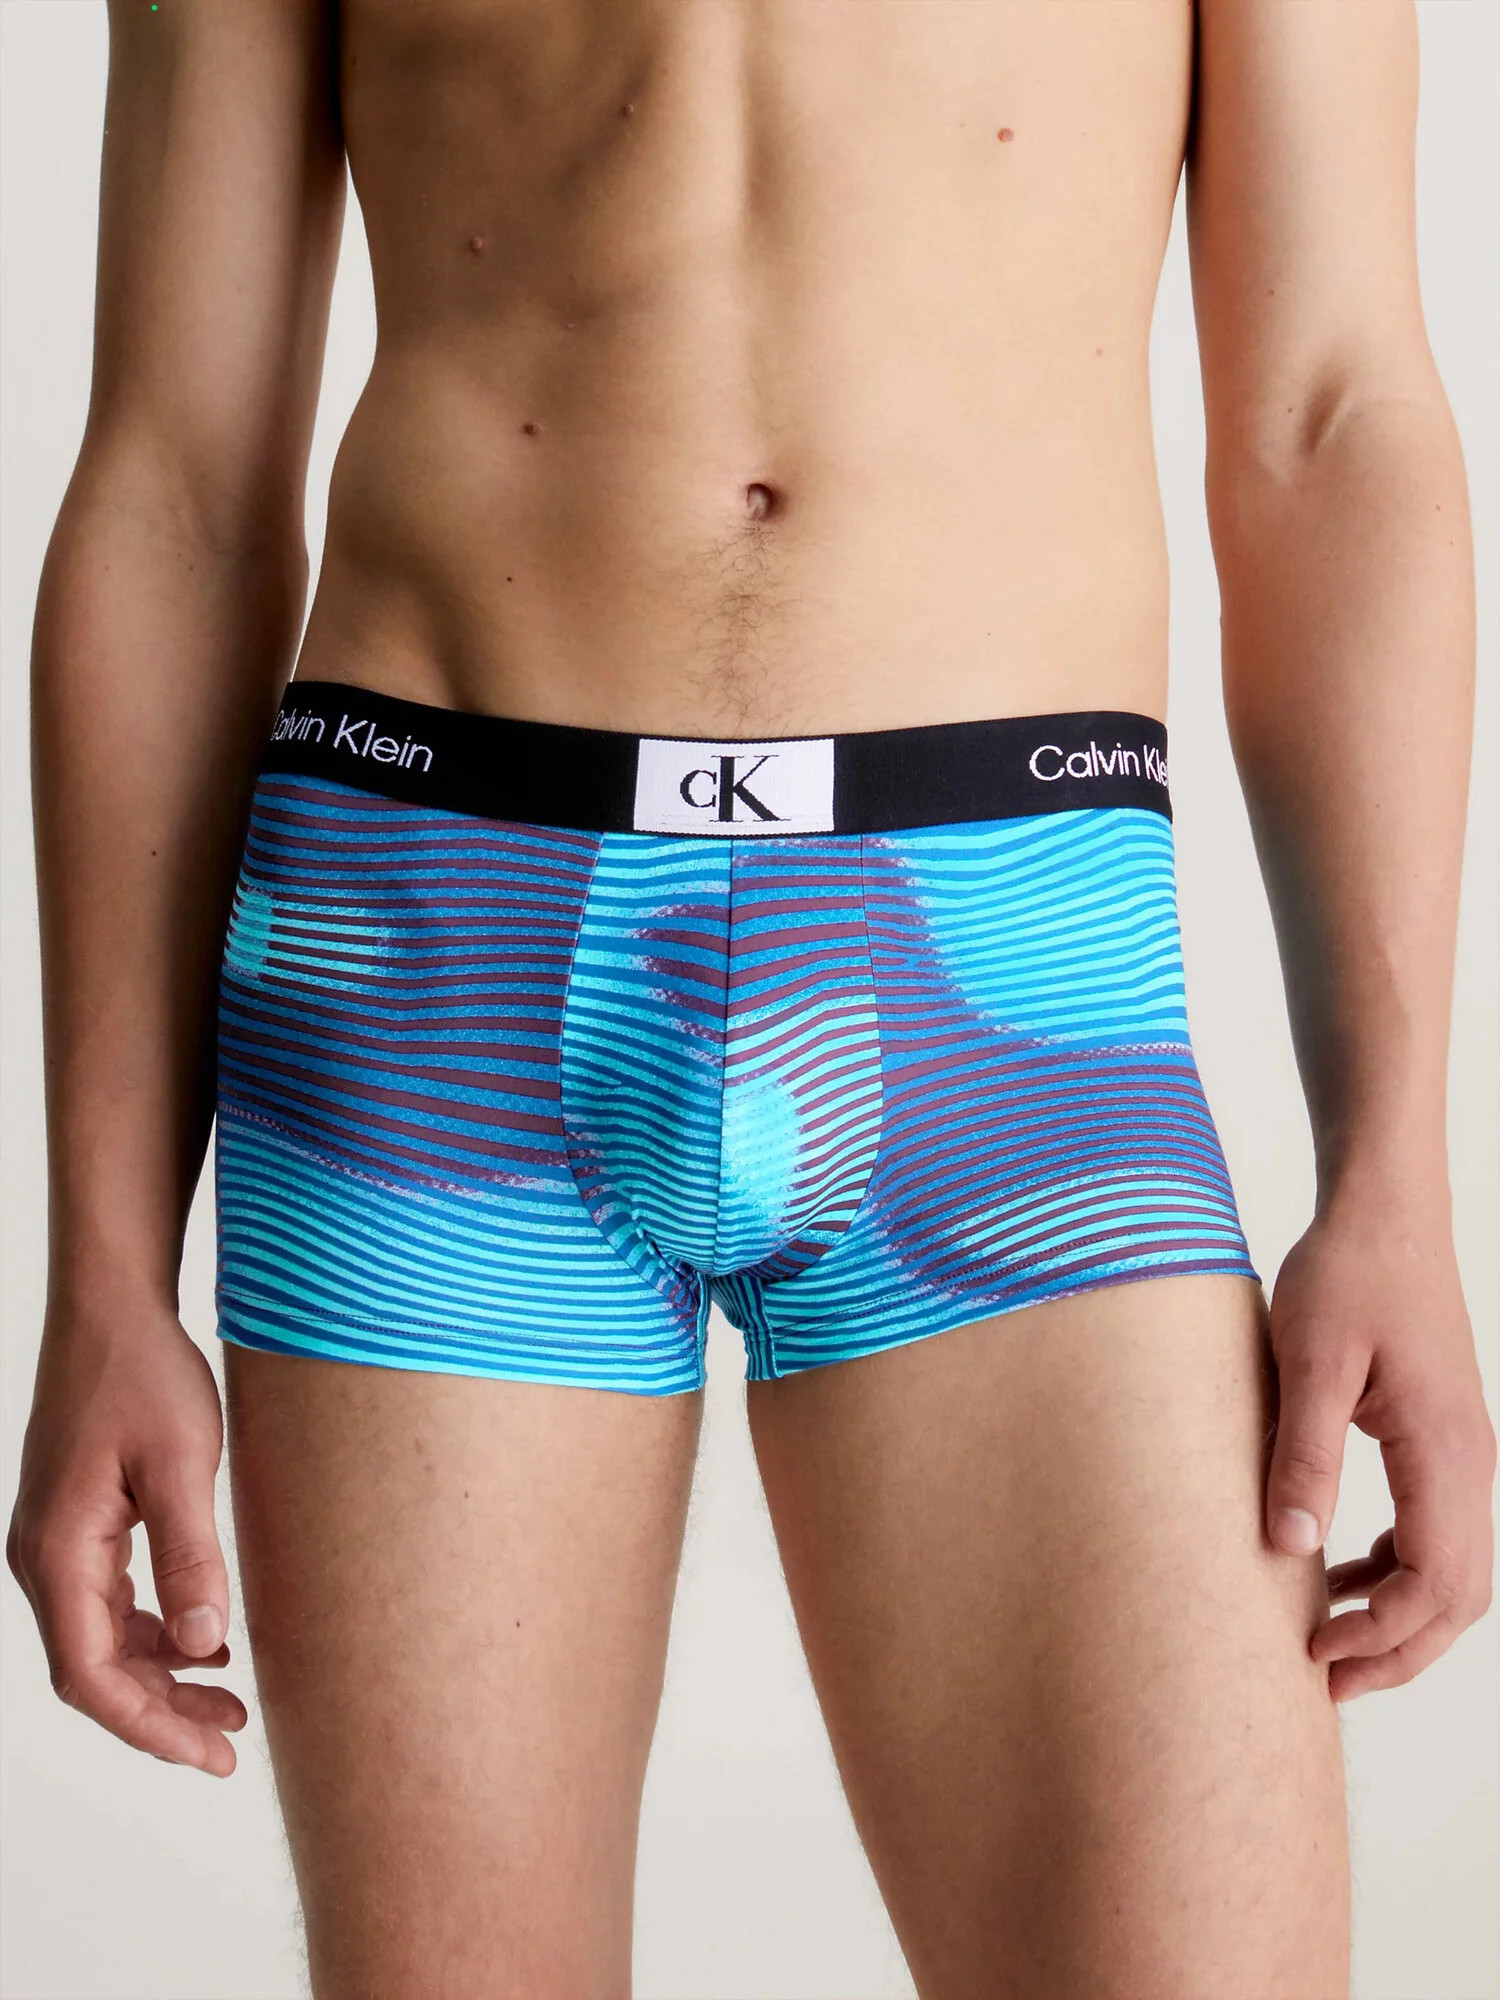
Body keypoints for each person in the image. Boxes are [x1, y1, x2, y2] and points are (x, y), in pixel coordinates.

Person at [7, 1, 1493, 1993]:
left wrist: (1396, 1167)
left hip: (1000, 967)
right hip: (434, 952)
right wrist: (105, 1262)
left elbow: (1330, 418)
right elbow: (177, 480)